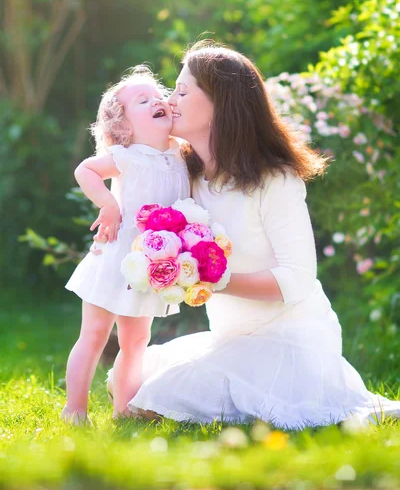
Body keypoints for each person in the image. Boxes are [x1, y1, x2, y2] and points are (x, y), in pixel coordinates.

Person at [107, 42, 400, 429]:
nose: (169, 99)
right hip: (230, 338)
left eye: (182, 90)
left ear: (219, 103)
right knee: (127, 376)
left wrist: (209, 279)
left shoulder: (275, 180)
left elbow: (297, 279)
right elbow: (130, 181)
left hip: (292, 339)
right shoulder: (187, 175)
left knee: (159, 396)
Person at [62, 66, 190, 424]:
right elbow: (85, 170)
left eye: (158, 95)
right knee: (96, 333)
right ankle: (74, 408)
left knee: (136, 340)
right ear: (123, 126)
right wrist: (109, 204)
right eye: (143, 99)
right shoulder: (127, 156)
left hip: (148, 265)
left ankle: (124, 407)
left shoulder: (180, 154)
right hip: (114, 256)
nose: (157, 100)